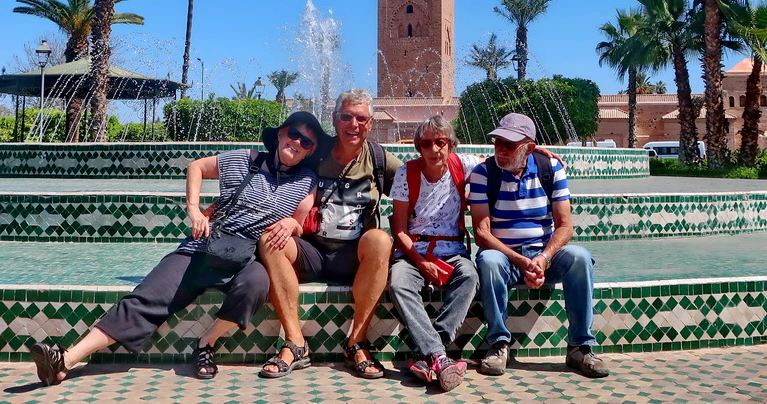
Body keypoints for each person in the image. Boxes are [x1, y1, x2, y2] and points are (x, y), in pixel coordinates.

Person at [27, 111, 326, 386]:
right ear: (280, 134)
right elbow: (196, 166)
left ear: (311, 150)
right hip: (204, 246)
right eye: (293, 134)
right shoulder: (245, 159)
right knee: (146, 297)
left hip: (247, 256)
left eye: (306, 142)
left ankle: (205, 344)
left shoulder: (307, 180)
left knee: (257, 283)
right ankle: (65, 359)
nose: (297, 142)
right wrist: (195, 210)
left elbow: (298, 225)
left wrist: (291, 225)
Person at [258, 88, 403, 379]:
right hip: (312, 253)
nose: (354, 124)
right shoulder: (314, 154)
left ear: (371, 123)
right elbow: (272, 170)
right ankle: (296, 343)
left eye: (361, 118)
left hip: (354, 259)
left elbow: (414, 186)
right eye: (346, 116)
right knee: (269, 241)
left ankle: (356, 342)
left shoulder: (378, 159)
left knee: (380, 239)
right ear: (335, 120)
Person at [467, 112, 609, 379]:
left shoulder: (551, 169)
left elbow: (565, 226)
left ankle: (581, 346)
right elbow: (482, 233)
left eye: (509, 145)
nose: (501, 150)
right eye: (497, 142)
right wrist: (523, 262)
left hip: (543, 257)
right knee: (488, 260)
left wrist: (543, 259)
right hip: (506, 259)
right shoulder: (483, 174)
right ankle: (498, 344)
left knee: (580, 257)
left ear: (529, 147)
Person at [388, 115, 480, 392]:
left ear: (451, 145)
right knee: (398, 284)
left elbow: (503, 157)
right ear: (418, 146)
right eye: (426, 143)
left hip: (452, 249)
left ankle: (429, 353)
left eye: (440, 142)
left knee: (470, 277)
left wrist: (535, 148)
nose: (434, 149)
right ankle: (440, 356)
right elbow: (400, 230)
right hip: (413, 251)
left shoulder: (463, 164)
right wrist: (422, 262)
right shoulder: (406, 172)